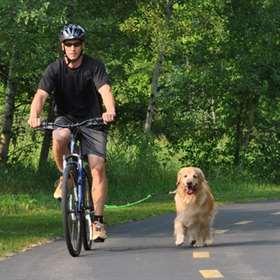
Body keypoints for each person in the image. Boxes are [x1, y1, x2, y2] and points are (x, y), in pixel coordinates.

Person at [28, 24, 116, 242]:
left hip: (92, 119)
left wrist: (110, 110)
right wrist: (34, 115)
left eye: (76, 44)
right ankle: (65, 175)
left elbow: (105, 90)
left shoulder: (94, 66)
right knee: (60, 136)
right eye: (68, 44)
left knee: (97, 168)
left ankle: (97, 222)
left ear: (82, 46)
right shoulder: (54, 69)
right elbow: (40, 96)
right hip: (66, 118)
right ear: (62, 47)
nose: (73, 48)